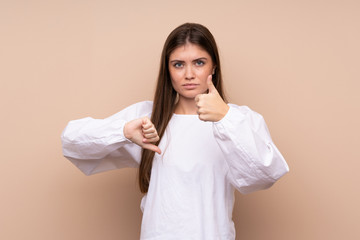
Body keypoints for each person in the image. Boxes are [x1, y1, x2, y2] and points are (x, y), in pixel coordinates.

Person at [61, 23, 289, 240]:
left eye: (199, 62)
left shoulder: (239, 119)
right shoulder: (148, 118)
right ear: (167, 70)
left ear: (214, 67)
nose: (189, 74)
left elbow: (266, 174)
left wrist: (225, 118)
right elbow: (71, 142)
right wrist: (122, 131)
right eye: (178, 64)